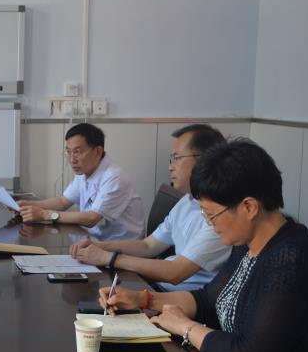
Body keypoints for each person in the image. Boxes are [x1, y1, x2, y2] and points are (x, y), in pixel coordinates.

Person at [99, 139, 308, 352]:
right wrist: (143, 300)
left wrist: (185, 327)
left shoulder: (291, 258)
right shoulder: (247, 244)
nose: (209, 224)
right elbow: (207, 299)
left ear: (249, 207)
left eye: (212, 215)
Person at [71, 124, 230, 290]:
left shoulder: (220, 215)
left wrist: (109, 258)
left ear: (204, 160)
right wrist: (100, 247)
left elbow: (175, 272)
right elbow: (148, 246)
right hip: (158, 286)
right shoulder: (187, 201)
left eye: (177, 158)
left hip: (181, 298)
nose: (170, 167)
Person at [18, 123, 144, 240]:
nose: (72, 159)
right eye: (68, 152)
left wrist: (44, 215)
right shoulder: (84, 171)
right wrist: (27, 204)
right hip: (95, 240)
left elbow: (91, 218)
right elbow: (63, 202)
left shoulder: (114, 177)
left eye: (77, 152)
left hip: (120, 247)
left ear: (98, 152)